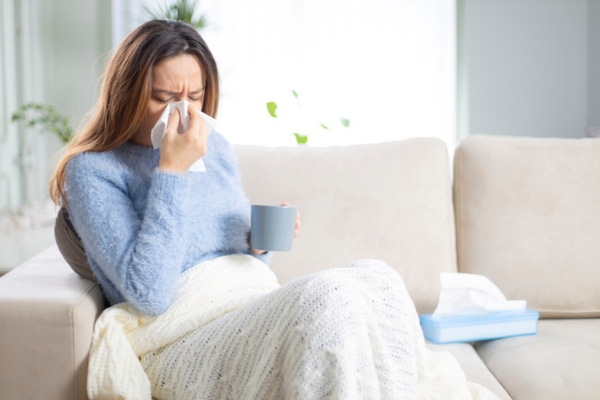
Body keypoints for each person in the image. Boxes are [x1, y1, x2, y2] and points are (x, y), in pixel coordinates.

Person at [51, 20, 497, 400]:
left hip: (249, 303)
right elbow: (148, 293)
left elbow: (227, 248)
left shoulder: (216, 146)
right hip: (178, 337)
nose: (184, 113)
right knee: (329, 300)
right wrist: (171, 171)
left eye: (196, 95)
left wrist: (257, 242)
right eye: (165, 98)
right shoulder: (93, 172)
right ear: (127, 94)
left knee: (378, 277)